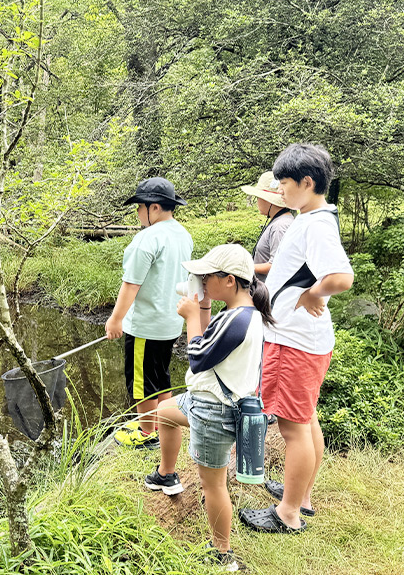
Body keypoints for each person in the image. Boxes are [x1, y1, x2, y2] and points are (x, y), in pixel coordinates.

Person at [238, 143, 354, 534]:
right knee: (305, 420)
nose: (279, 190)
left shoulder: (317, 224)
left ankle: (287, 514)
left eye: (283, 183)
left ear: (307, 183)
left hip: (295, 342)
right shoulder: (310, 217)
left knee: (293, 429)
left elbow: (342, 277)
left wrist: (312, 294)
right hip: (300, 340)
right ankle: (300, 496)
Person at [144, 244, 273, 572]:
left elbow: (199, 357)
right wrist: (201, 307)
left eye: (205, 276)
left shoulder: (238, 320)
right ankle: (166, 474)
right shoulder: (243, 313)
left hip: (214, 409)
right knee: (164, 413)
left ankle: (221, 553)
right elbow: (209, 341)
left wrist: (189, 316)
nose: (200, 280)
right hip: (204, 399)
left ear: (229, 280)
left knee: (212, 485)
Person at [105, 177, 193, 448]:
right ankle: (162, 422)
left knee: (142, 381)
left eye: (139, 207)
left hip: (145, 325)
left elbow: (131, 284)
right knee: (160, 374)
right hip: (170, 323)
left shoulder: (146, 239)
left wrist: (116, 319)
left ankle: (146, 434)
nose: (138, 213)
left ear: (154, 208)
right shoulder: (183, 234)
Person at [241, 171, 295, 282]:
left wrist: (244, 267)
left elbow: (276, 265)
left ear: (268, 201)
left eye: (258, 197)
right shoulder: (281, 221)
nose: (257, 202)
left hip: (268, 292)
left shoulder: (280, 226)